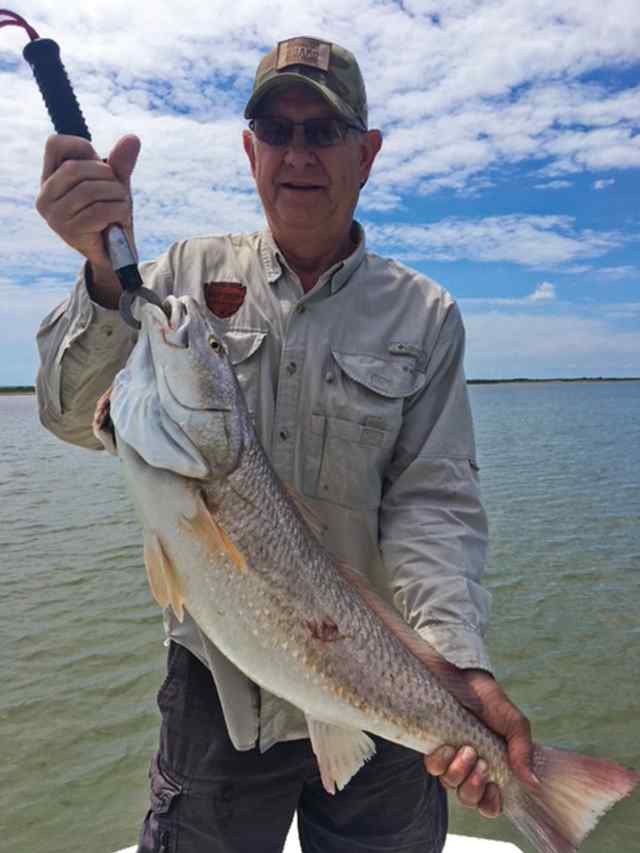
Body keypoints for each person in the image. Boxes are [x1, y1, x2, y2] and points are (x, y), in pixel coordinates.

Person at [35, 36, 536, 853]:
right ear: (249, 149)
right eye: (277, 128)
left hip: (377, 679)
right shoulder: (179, 282)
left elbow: (433, 507)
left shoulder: (426, 316)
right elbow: (69, 412)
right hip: (220, 687)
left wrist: (455, 663)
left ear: (366, 155)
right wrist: (99, 275)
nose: (298, 152)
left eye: (325, 131)